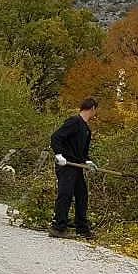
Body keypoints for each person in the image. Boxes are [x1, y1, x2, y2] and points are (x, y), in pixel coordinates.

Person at [50, 97, 98, 239]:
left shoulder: (86, 129)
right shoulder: (74, 122)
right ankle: (58, 227)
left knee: (82, 195)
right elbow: (56, 137)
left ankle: (82, 229)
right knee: (65, 194)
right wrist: (59, 154)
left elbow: (82, 152)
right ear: (93, 108)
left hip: (77, 166)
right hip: (66, 164)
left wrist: (88, 162)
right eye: (96, 111)